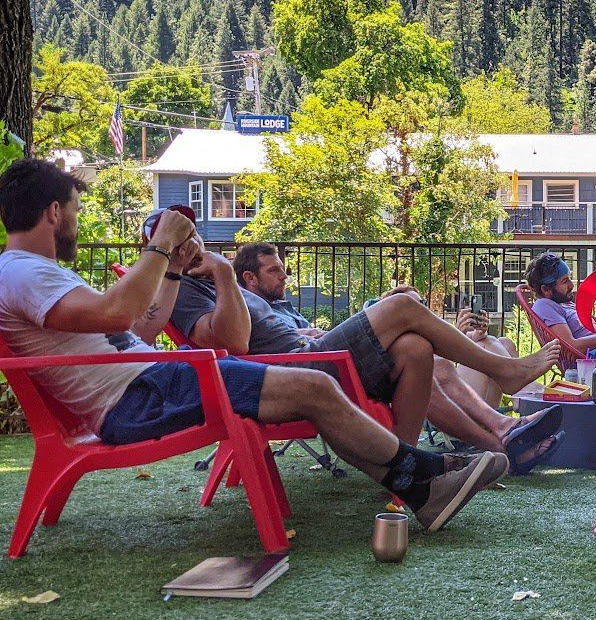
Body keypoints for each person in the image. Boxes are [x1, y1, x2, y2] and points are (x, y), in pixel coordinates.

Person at [0, 159, 507, 532]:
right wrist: (157, 247)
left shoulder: (32, 274)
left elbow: (139, 330)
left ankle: (421, 483)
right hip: (142, 395)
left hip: (151, 381)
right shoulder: (23, 273)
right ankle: (422, 476)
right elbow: (117, 311)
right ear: (51, 212)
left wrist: (172, 268)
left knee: (315, 386)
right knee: (313, 386)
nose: (76, 218)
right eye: (73, 209)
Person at [183, 242, 563, 474]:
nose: (284, 276)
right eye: (274, 271)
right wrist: (221, 275)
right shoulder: (201, 291)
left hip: (318, 354)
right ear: (248, 277)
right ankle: (506, 374)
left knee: (416, 347)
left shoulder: (272, 303)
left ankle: (436, 458)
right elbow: (233, 342)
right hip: (295, 374)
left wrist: (308, 329)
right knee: (403, 305)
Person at [369, 285, 565, 476]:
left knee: (497, 342)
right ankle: (514, 414)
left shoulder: (422, 338)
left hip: (468, 405)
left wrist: (474, 336)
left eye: (421, 303)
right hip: (444, 410)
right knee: (442, 365)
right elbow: (432, 369)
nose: (417, 310)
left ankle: (511, 428)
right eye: (408, 305)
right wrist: (459, 334)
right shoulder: (394, 344)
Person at [525, 252, 596, 368]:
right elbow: (571, 346)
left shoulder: (562, 304)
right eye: (565, 281)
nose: (571, 285)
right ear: (546, 289)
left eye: (570, 278)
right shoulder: (544, 305)